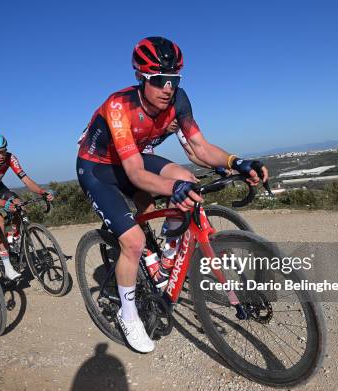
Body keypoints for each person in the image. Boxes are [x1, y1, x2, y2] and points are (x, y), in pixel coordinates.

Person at [76, 36, 268, 353]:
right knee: (134, 241)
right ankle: (128, 313)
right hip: (98, 168)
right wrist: (174, 190)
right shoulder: (120, 106)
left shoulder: (178, 101)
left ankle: (165, 260)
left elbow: (200, 148)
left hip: (133, 157)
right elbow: (136, 174)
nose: (168, 87)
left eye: (174, 79)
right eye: (160, 80)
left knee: (185, 176)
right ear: (141, 77)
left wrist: (237, 162)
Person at [0, 132, 53, 280]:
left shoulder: (10, 157)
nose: (1, 156)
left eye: (4, 151)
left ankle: (13, 237)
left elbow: (25, 179)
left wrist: (41, 191)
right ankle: (7, 267)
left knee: (20, 205)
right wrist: (6, 204)